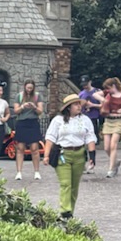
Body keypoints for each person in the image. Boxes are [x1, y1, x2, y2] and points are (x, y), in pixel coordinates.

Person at [45, 90, 96, 219]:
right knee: (65, 183)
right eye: (75, 104)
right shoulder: (58, 120)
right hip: (63, 154)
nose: (79, 106)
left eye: (80, 104)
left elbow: (90, 138)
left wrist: (92, 156)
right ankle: (64, 210)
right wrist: (46, 155)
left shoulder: (85, 120)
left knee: (74, 185)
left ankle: (70, 211)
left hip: (79, 154)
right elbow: (50, 138)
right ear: (68, 108)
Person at [98, 76, 121, 178]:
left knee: (113, 145)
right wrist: (104, 100)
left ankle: (111, 169)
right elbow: (95, 94)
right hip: (108, 120)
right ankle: (115, 162)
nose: (108, 90)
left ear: (114, 86)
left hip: (118, 121)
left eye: (109, 88)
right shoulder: (107, 94)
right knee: (106, 147)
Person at [11, 81, 44, 181]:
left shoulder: (38, 96)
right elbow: (15, 111)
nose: (29, 90)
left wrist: (34, 107)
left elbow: (40, 111)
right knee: (20, 148)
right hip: (21, 123)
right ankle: (19, 172)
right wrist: (23, 106)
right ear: (24, 87)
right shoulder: (19, 96)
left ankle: (37, 172)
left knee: (34, 148)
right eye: (27, 88)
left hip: (33, 122)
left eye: (31, 88)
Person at [78, 77, 103, 170]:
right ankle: (83, 162)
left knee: (91, 141)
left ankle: (92, 162)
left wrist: (93, 105)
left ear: (90, 82)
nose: (84, 86)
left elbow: (103, 104)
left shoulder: (97, 92)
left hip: (93, 118)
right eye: (83, 85)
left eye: (86, 84)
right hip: (83, 119)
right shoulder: (81, 94)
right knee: (81, 142)